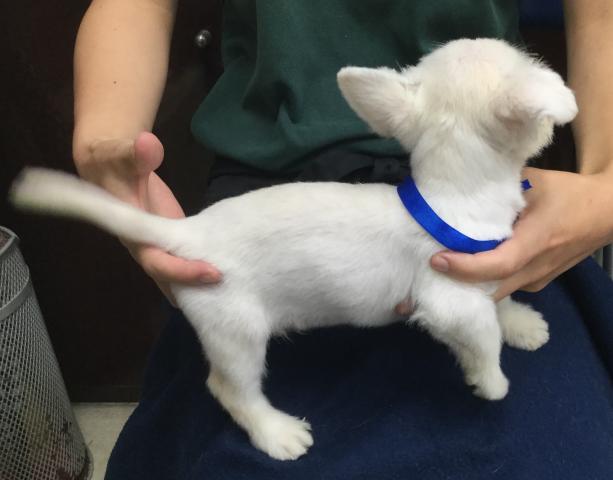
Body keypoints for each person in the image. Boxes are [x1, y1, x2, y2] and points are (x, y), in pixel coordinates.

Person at [73, 1, 613, 478]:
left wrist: (604, 188)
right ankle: (247, 405)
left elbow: (601, 14)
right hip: (261, 196)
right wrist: (107, 141)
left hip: (495, 195)